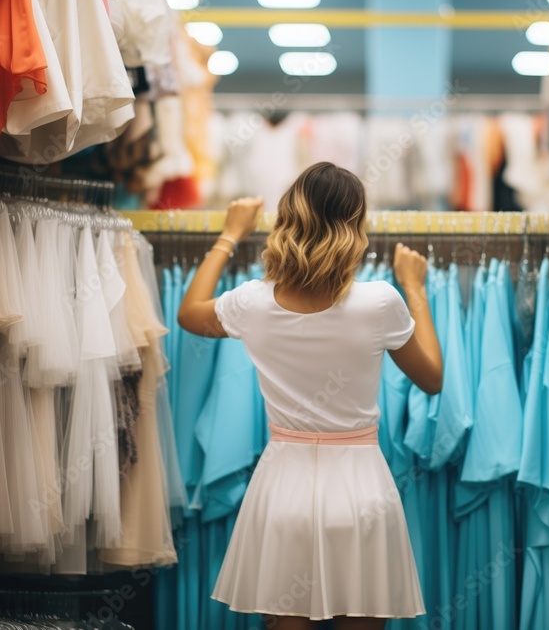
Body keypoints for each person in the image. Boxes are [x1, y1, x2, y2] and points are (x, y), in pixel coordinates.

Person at [178, 162, 443, 629]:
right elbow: (433, 379)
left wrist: (229, 235)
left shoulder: (251, 303)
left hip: (283, 489)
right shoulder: (381, 302)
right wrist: (416, 289)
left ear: (287, 221)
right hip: (361, 493)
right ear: (355, 227)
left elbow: (188, 315)